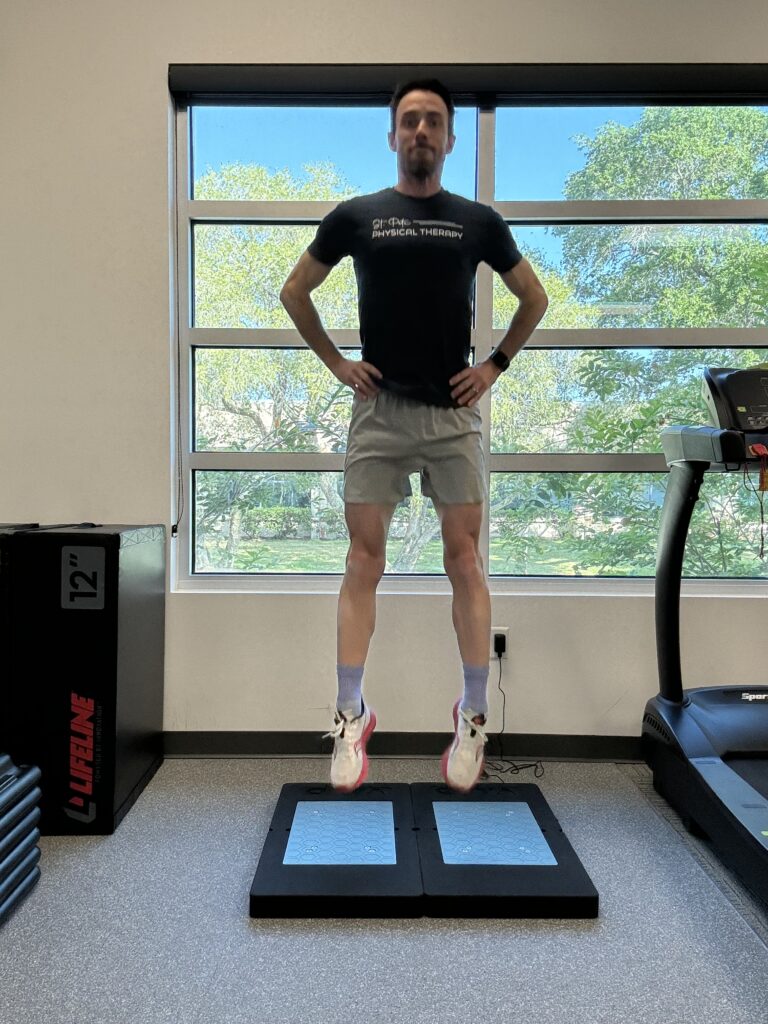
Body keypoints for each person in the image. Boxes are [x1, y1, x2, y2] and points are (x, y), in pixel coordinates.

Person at [279, 78, 548, 794]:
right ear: (393, 136)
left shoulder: (478, 222)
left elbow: (534, 298)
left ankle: (472, 715)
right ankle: (351, 713)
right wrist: (337, 363)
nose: (421, 130)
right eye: (409, 121)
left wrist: (494, 365)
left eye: (432, 121)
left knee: (466, 562)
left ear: (450, 139)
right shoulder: (356, 217)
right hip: (380, 413)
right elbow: (294, 291)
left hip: (453, 416)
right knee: (362, 560)